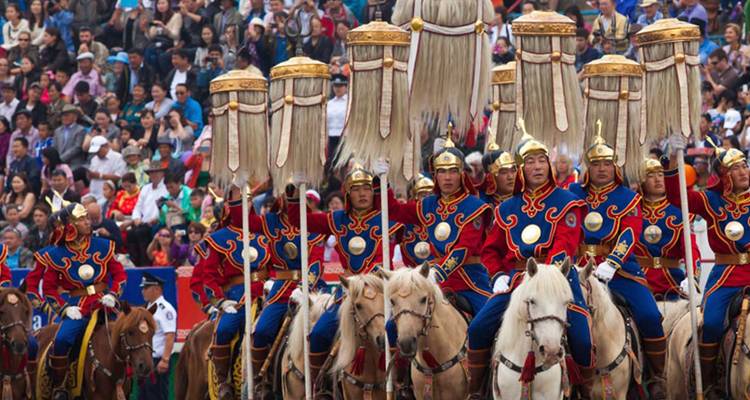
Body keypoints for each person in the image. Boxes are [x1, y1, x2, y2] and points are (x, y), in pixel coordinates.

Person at [467, 131, 589, 399]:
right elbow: (491, 250)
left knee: (582, 336)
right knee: (477, 329)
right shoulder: (507, 208)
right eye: (530, 162)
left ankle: (585, 390)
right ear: (521, 169)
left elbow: (565, 248)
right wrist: (498, 274)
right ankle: (476, 390)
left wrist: (543, 277)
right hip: (516, 280)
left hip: (557, 279)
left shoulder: (567, 202)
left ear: (549, 165)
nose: (537, 167)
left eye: (541, 161)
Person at [569, 133, 667, 398]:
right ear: (588, 167)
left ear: (616, 166)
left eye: (607, 163)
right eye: (597, 164)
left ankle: (656, 376)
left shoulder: (628, 198)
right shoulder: (573, 193)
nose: (602, 169)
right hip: (577, 268)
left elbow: (630, 233)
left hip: (619, 270)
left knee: (649, 315)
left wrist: (612, 263)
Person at [285, 165, 402, 382]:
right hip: (348, 294)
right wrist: (294, 192)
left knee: (403, 332)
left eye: (367, 188)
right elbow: (299, 220)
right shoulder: (337, 219)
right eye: (356, 189)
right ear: (348, 193)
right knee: (319, 334)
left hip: (382, 290)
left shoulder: (387, 217)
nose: (363, 193)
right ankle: (321, 386)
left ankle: (405, 385)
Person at [666, 134, 750, 398]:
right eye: (735, 168)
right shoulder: (709, 201)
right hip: (727, 275)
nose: (743, 171)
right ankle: (711, 382)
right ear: (724, 175)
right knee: (712, 322)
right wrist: (672, 162)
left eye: (744, 165)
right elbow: (677, 197)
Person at [226, 183, 326, 376]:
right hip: (281, 289)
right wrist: (241, 193)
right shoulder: (270, 221)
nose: (292, 198)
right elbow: (240, 220)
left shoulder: (313, 222)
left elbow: (316, 261)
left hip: (311, 288)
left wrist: (306, 286)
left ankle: (326, 381)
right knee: (262, 331)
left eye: (296, 193)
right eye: (287, 193)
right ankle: (259, 379)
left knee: (326, 330)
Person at [42, 203, 126, 400]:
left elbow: (120, 274)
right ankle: (60, 386)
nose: (88, 222)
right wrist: (64, 309)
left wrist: (113, 295)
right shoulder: (56, 253)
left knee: (130, 335)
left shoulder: (103, 245)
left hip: (104, 303)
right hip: (77, 307)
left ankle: (125, 381)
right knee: (62, 339)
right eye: (82, 219)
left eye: (87, 218)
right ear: (69, 224)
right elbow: (48, 289)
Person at [198, 206, 270, 398]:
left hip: (268, 289)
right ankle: (224, 382)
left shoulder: (266, 231)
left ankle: (265, 380)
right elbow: (208, 274)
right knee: (225, 330)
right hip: (236, 295)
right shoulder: (219, 238)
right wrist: (220, 301)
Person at [634, 158, 700, 300]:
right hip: (638, 280)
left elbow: (691, 249)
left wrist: (692, 277)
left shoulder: (681, 209)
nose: (658, 179)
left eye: (661, 174)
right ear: (642, 182)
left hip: (672, 281)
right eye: (650, 175)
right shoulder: (631, 209)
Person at [138, 273, 175, 400]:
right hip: (145, 360)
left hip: (157, 361)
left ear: (157, 289)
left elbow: (170, 335)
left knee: (157, 396)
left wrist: (165, 360)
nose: (143, 291)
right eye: (143, 288)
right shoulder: (147, 307)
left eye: (146, 288)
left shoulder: (165, 309)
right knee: (143, 396)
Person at [129, 161, 169, 266]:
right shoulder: (145, 188)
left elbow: (164, 208)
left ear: (162, 174)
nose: (154, 175)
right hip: (143, 223)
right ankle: (134, 263)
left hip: (158, 222)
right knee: (131, 234)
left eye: (157, 172)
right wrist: (136, 218)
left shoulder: (166, 188)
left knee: (141, 234)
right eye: (152, 173)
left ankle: (145, 264)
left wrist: (156, 218)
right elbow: (138, 207)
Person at [397, 174, 435, 268]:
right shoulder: (407, 216)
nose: (427, 198)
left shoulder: (442, 215)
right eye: (423, 195)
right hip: (411, 266)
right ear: (416, 197)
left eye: (430, 194)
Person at [87, 136, 126, 201]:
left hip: (107, 196)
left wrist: (100, 175)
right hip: (92, 193)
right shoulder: (94, 159)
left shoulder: (117, 157)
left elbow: (119, 176)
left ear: (105, 146)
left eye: (98, 151)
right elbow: (91, 175)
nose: (96, 153)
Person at [53, 104, 87, 169]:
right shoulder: (57, 131)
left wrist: (61, 159)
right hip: (59, 164)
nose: (63, 118)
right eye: (62, 115)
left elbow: (77, 148)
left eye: (67, 115)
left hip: (74, 165)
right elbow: (54, 147)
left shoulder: (80, 130)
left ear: (75, 117)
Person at [326, 74, 347, 163]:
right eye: (335, 86)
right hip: (330, 138)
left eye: (340, 86)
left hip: (344, 138)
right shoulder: (329, 103)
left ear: (345, 87)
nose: (337, 88)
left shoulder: (349, 102)